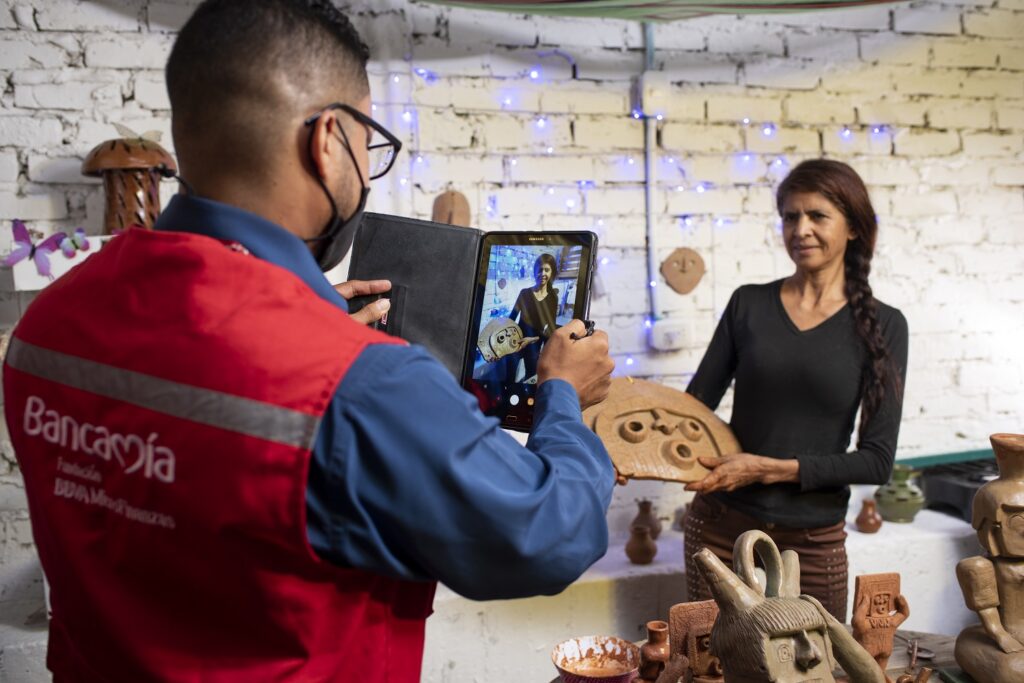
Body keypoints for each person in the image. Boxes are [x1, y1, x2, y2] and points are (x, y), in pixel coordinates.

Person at [2, 1, 616, 681]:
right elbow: (549, 532)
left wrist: (313, 320)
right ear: (328, 138)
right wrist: (562, 392)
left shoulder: (46, 324)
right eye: (368, 142)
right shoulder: (362, 383)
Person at [682, 159, 909, 622]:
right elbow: (692, 410)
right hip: (720, 530)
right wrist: (635, 452)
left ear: (853, 228)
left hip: (810, 543)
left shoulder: (885, 325)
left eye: (817, 216)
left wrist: (767, 469)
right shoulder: (749, 303)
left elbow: (877, 461)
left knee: (812, 670)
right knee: (710, 671)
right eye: (790, 216)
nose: (800, 229)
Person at [510, 252, 560, 381]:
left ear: (551, 273)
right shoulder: (524, 293)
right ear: (535, 271)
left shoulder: (553, 298)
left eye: (547, 270)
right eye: (540, 270)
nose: (543, 273)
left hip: (534, 344)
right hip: (516, 341)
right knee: (508, 375)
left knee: (530, 375)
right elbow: (511, 319)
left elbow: (550, 329)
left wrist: (532, 341)